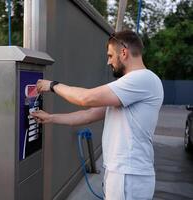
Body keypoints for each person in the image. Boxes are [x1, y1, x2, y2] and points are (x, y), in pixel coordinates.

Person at [31, 30, 164, 200]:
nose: (108, 61)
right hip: (122, 174)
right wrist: (50, 118)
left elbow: (86, 98)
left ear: (123, 52)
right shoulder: (131, 85)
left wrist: (53, 85)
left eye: (110, 55)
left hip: (129, 176)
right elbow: (90, 114)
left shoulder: (142, 79)